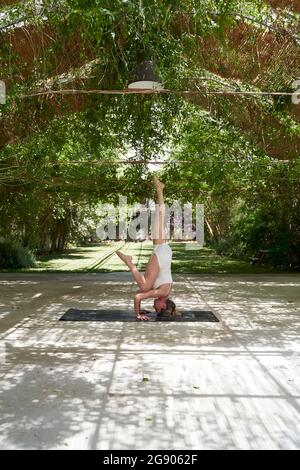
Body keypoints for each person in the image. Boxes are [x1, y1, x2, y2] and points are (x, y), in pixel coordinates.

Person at [117, 175, 178, 321]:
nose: (154, 308)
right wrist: (138, 314)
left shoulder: (163, 293)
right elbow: (138, 296)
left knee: (159, 221)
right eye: (156, 309)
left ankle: (160, 189)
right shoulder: (162, 292)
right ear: (163, 306)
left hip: (164, 254)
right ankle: (159, 189)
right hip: (162, 255)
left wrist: (139, 308)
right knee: (144, 288)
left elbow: (141, 295)